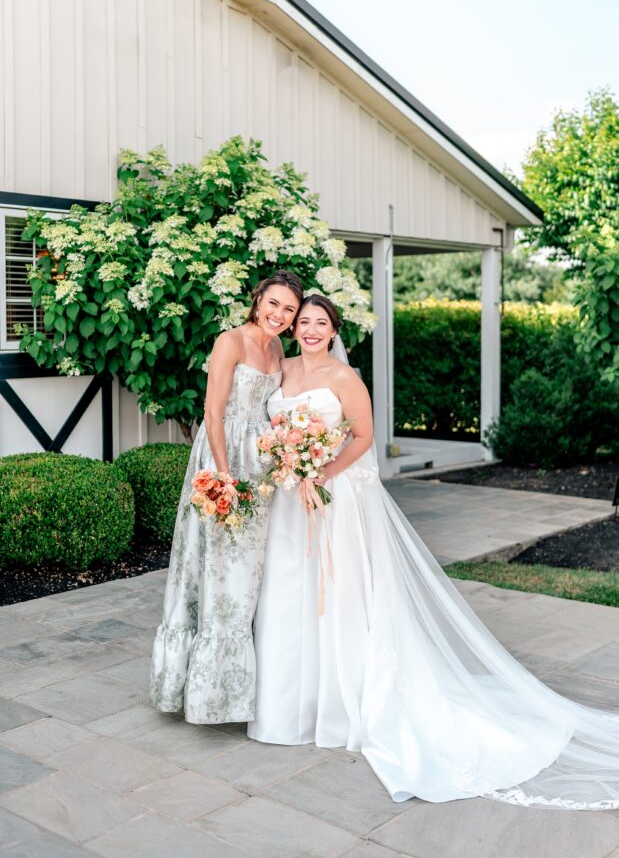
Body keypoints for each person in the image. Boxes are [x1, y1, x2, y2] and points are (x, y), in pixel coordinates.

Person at [248, 292, 619, 809]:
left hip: (334, 501)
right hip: (291, 503)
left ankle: (341, 704)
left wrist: (319, 472)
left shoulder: (344, 378)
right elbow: (266, 428)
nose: (310, 330)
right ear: (293, 329)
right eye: (303, 322)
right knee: (292, 594)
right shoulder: (281, 371)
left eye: (320, 323)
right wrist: (289, 466)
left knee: (339, 595)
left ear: (334, 331)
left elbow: (363, 437)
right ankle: (295, 704)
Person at [150, 270, 303, 724]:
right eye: (273, 303)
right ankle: (200, 692)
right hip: (223, 458)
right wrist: (223, 477)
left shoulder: (278, 348)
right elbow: (212, 414)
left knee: (246, 571)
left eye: (289, 309)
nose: (279, 314)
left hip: (260, 465)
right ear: (257, 301)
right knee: (214, 564)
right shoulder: (230, 341)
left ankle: (234, 691)